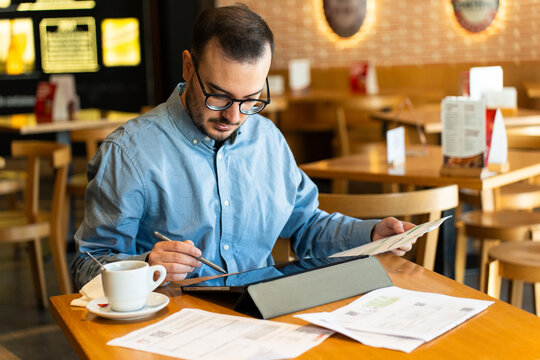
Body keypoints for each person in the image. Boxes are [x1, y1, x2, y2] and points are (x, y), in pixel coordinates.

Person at [71, 4, 415, 289]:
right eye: (218, 96)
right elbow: (88, 265)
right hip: (173, 327)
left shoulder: (268, 140)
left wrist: (370, 233)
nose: (234, 116)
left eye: (250, 100)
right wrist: (147, 267)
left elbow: (307, 227)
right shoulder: (129, 152)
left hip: (263, 317)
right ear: (189, 67)